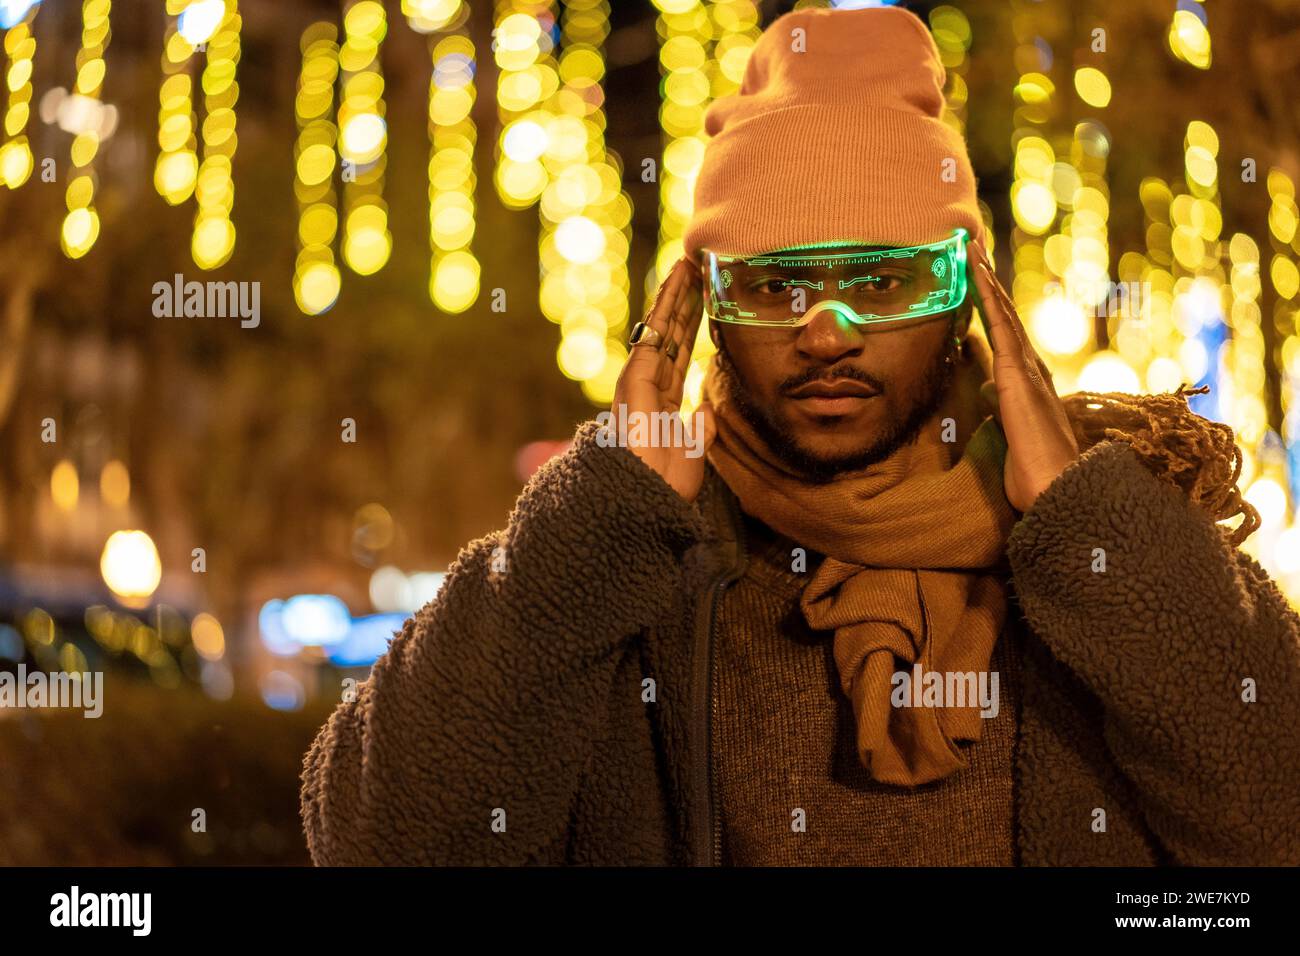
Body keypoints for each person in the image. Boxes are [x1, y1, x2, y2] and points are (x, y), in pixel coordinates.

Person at [299, 5, 1300, 866]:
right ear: (705, 303)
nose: (826, 333)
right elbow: (378, 841)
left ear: (965, 295)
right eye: (775, 284)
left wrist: (1085, 522)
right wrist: (592, 525)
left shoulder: (1095, 545)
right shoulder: (633, 553)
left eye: (882, 279)